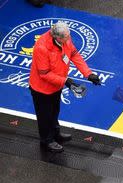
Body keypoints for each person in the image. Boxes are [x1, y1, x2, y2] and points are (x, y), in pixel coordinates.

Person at [29, 21, 101, 152]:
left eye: (69, 36)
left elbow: (74, 54)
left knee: (54, 111)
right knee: (45, 116)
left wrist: (88, 74)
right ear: (57, 37)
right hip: (42, 89)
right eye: (66, 37)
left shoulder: (65, 38)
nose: (69, 39)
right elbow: (44, 74)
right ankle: (47, 140)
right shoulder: (42, 48)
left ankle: (55, 134)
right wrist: (66, 81)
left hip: (56, 85)